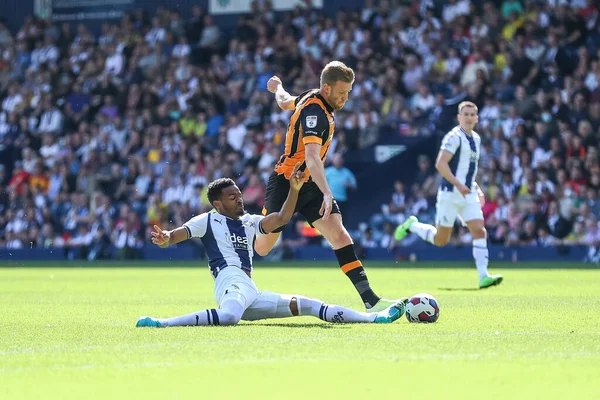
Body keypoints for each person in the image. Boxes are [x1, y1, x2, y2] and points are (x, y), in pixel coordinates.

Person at [136, 164, 406, 327]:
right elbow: (177, 234)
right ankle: (161, 323)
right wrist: (165, 237)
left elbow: (281, 218)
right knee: (229, 317)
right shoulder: (207, 220)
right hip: (229, 281)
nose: (240, 200)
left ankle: (373, 318)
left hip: (249, 289)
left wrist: (295, 191)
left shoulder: (250, 221)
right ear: (218, 204)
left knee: (308, 304)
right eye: (233, 198)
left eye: (240, 195)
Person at [254, 60, 400, 312]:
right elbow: (311, 158)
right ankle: (241, 228)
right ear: (326, 89)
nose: (345, 98)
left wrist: (277, 86)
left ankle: (370, 300)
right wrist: (327, 191)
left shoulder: (311, 97)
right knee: (262, 248)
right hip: (287, 182)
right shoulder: (316, 113)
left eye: (348, 92)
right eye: (342, 92)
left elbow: (285, 101)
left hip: (309, 184)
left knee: (339, 234)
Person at [394, 101, 503, 289]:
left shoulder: (476, 138)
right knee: (441, 240)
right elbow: (440, 164)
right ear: (459, 117)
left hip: (467, 193)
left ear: (476, 118)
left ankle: (483, 276)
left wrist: (476, 188)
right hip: (450, 194)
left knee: (479, 230)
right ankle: (413, 225)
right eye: (465, 114)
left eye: (472, 114)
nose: (469, 118)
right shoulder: (453, 137)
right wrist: (459, 184)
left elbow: (468, 169)